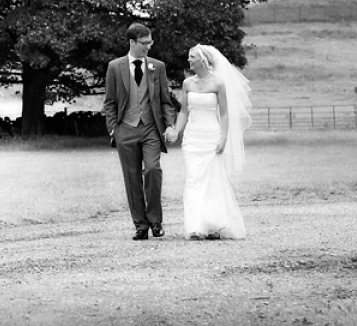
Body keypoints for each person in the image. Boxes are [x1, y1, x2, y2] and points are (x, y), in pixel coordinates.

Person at [165, 44, 252, 240]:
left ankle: (214, 225)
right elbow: (184, 111)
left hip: (211, 136)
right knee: (194, 180)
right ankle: (196, 226)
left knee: (213, 179)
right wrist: (176, 131)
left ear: (203, 60)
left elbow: (224, 113)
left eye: (192, 57)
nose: (189, 60)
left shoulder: (218, 84)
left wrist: (223, 138)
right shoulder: (187, 84)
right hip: (192, 138)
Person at [103, 23, 177, 240]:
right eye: (144, 43)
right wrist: (113, 130)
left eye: (150, 43)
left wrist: (170, 124)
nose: (148, 47)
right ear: (132, 42)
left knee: (153, 170)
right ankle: (141, 225)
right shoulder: (115, 67)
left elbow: (166, 101)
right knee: (131, 177)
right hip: (125, 129)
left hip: (151, 129)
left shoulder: (158, 67)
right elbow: (109, 102)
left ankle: (156, 221)